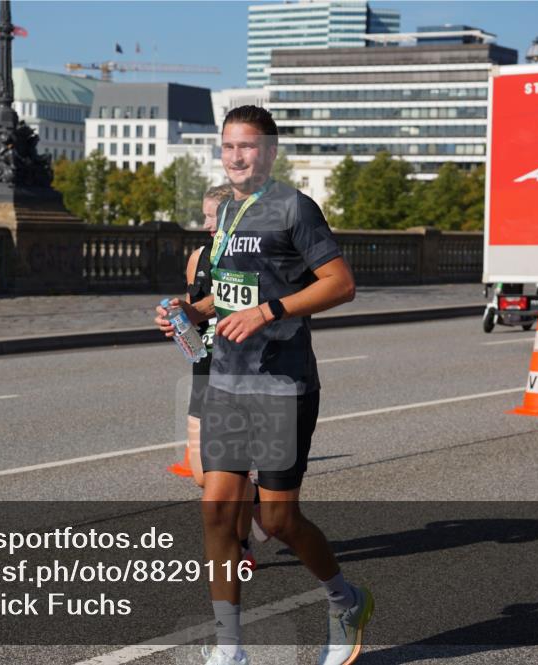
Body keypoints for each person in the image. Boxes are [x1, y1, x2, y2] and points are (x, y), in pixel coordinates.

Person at [195, 106, 370, 665]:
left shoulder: (294, 207)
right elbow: (230, 294)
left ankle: (345, 600)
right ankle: (229, 651)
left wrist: (270, 312)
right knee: (218, 511)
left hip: (281, 384)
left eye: (247, 147)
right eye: (228, 147)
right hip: (227, 380)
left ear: (269, 152)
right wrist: (188, 308)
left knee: (276, 520)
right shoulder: (226, 212)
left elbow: (341, 285)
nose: (237, 157)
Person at [162, 184, 260, 570]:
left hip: (237, 376)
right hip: (203, 372)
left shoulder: (247, 262)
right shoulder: (197, 258)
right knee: (204, 478)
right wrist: (178, 322)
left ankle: (241, 543)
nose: (204, 225)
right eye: (203, 216)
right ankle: (251, 498)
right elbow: (193, 312)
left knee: (225, 478)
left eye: (211, 217)